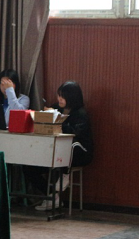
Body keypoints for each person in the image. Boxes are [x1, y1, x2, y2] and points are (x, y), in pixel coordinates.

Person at [35, 81, 95, 211]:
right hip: (55, 151)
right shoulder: (56, 107)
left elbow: (74, 133)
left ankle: (65, 174)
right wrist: (47, 115)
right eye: (59, 95)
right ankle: (52, 196)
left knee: (69, 145)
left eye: (63, 96)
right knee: (29, 168)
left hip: (79, 153)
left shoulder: (81, 114)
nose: (59, 99)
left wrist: (56, 119)